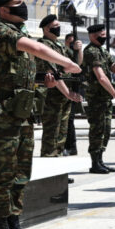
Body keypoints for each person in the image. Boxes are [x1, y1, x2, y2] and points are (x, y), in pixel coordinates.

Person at [0, 0, 81, 229]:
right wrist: (67, 63)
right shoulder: (0, 32)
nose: (23, 6)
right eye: (18, 3)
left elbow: (20, 74)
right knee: (2, 175)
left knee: (20, 174)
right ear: (4, 10)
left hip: (22, 113)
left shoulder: (18, 35)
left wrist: (44, 82)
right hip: (3, 115)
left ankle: (15, 226)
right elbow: (36, 47)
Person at [82, 23, 115, 174]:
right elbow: (101, 77)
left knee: (106, 130)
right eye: (101, 36)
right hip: (96, 98)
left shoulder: (102, 51)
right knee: (97, 130)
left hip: (104, 98)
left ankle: (100, 160)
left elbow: (113, 69)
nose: (104, 38)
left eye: (104, 35)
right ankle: (95, 162)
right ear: (92, 35)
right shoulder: (91, 51)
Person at [36, 15, 80, 157]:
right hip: (51, 96)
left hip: (63, 96)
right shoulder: (44, 45)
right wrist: (68, 93)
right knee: (51, 133)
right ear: (46, 28)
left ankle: (58, 166)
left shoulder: (59, 45)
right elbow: (53, 72)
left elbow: (75, 64)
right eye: (55, 26)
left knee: (62, 133)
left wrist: (79, 50)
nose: (58, 28)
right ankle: (49, 165)